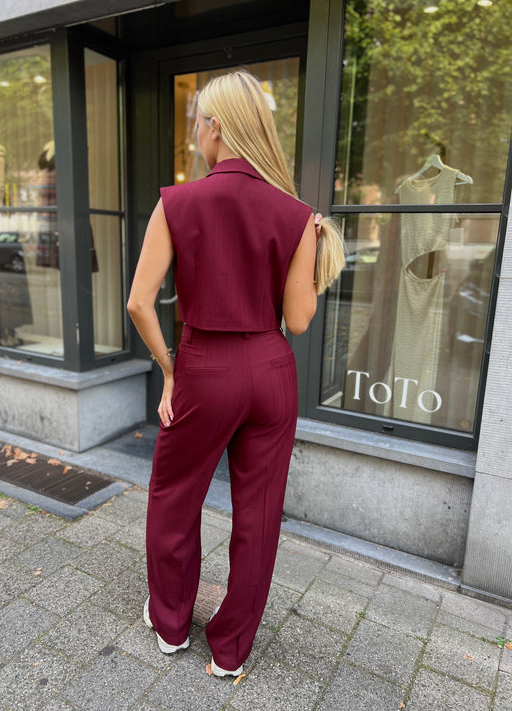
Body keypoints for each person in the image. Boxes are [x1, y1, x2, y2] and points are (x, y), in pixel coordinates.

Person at [127, 70, 344, 678]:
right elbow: (298, 321)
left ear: (217, 127)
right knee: (259, 512)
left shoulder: (177, 202)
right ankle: (230, 650)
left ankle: (171, 624)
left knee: (175, 496)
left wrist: (170, 372)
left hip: (205, 367)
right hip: (271, 371)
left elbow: (139, 303)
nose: (196, 133)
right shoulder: (297, 215)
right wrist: (312, 245)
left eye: (198, 121)